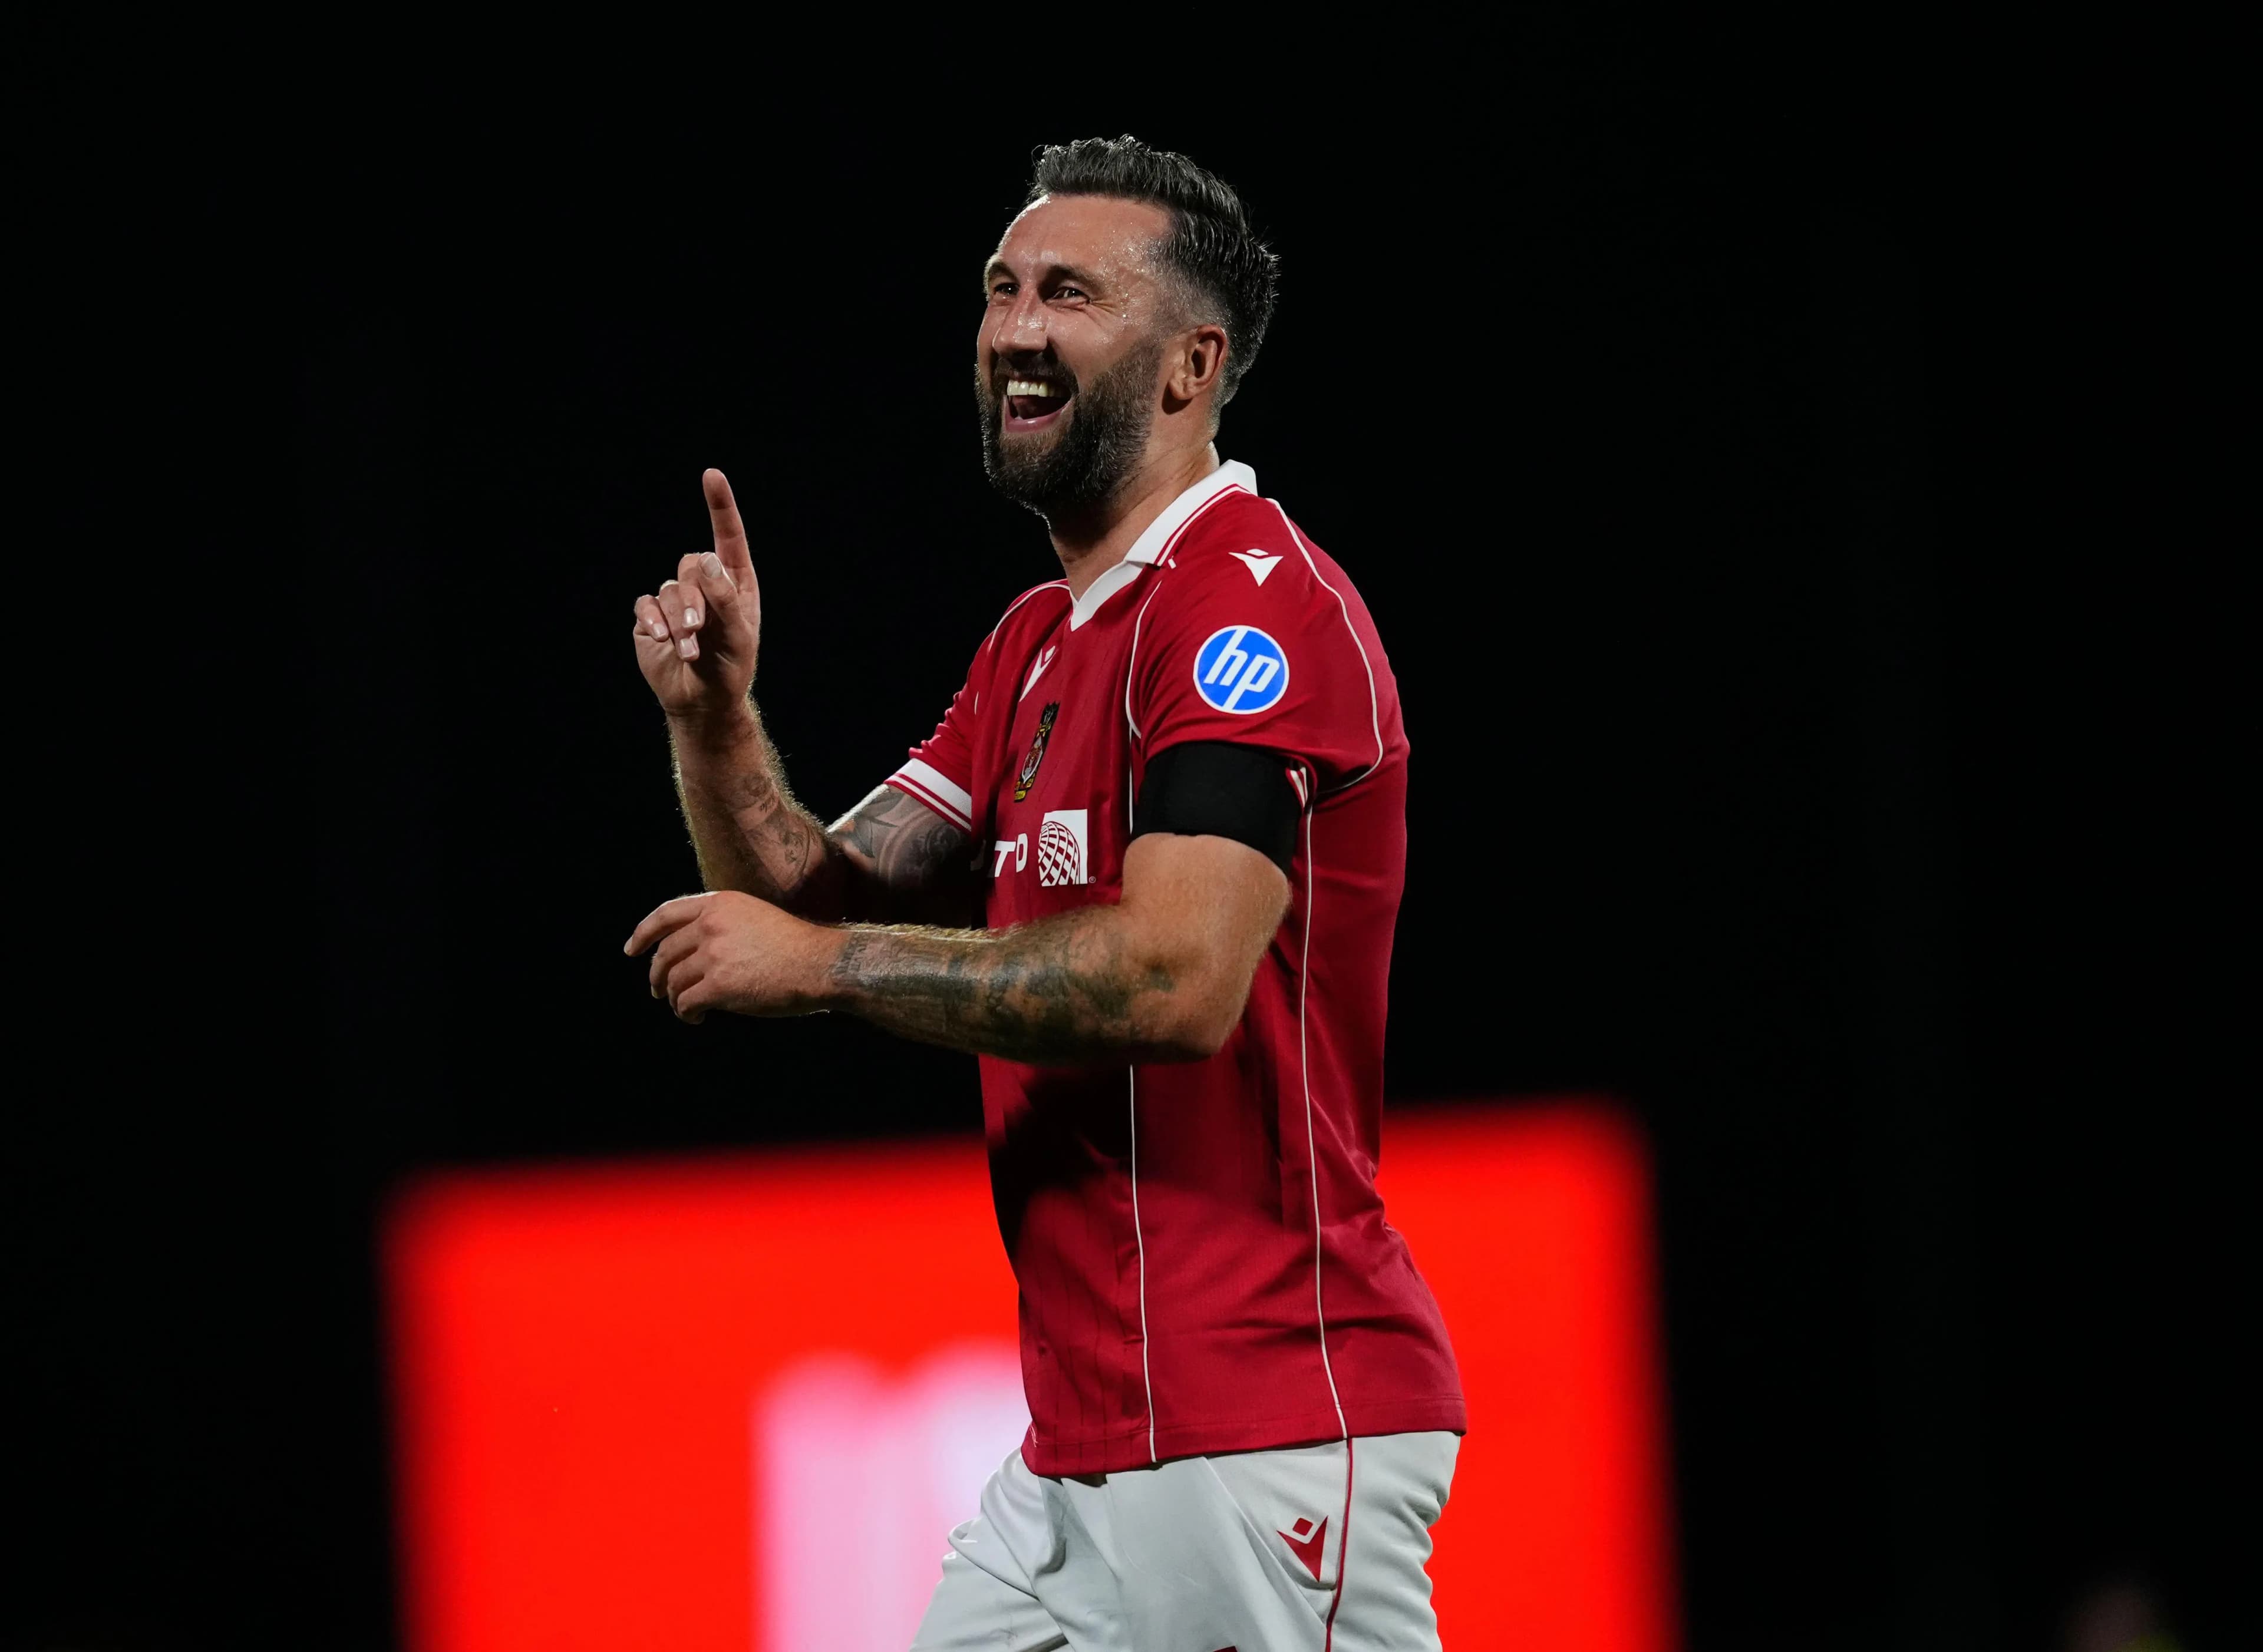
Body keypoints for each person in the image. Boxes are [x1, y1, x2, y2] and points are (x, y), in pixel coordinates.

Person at [624, 136, 1464, 1651]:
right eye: (1002, 288)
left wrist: (819, 970)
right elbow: (817, 892)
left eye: (1068, 293)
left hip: (1259, 1416)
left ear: (1189, 365)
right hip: (1079, 1449)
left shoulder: (1249, 610)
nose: (1013, 327)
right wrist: (717, 722)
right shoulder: (1036, 642)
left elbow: (1173, 981)